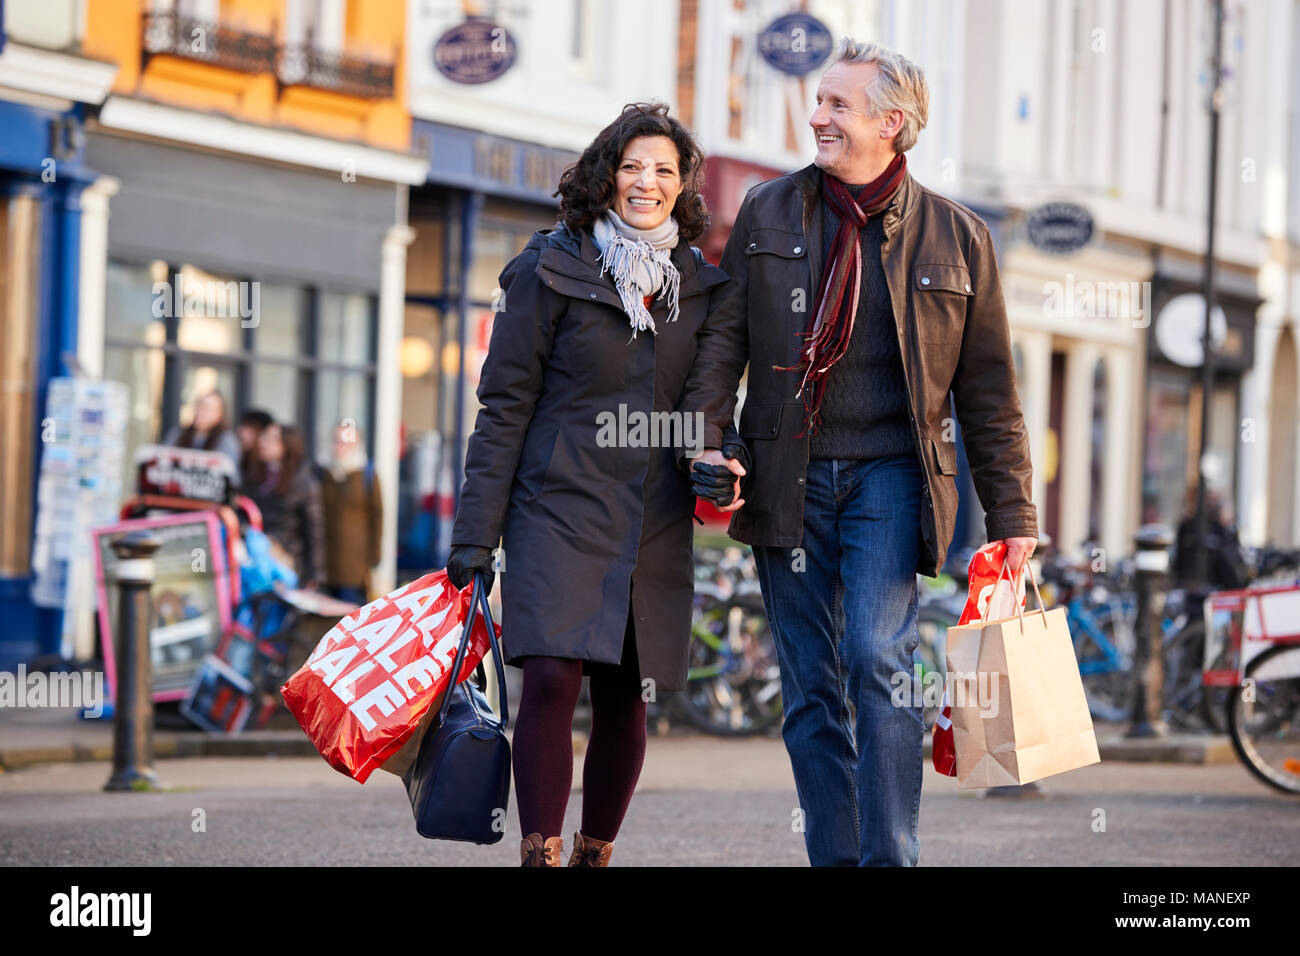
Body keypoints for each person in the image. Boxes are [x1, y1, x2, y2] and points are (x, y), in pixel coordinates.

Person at [693, 39, 1039, 866]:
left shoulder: (960, 239)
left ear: (894, 123)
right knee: (810, 686)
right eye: (818, 102)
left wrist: (1015, 518)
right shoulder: (769, 214)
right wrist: (709, 443)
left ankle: (890, 856)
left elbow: (989, 394)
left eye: (837, 106)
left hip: (892, 477)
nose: (817, 117)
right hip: (787, 477)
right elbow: (723, 344)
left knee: (879, 660)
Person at [446, 102, 741, 867]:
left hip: (654, 517)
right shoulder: (547, 268)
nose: (647, 183)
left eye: (664, 171)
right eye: (633, 166)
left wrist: (721, 462)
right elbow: (503, 408)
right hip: (557, 506)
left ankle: (593, 854)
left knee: (626, 697)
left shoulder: (703, 288)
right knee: (549, 676)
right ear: (606, 174)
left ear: (683, 188)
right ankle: (539, 854)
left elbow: (707, 408)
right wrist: (475, 536)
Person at [244, 423, 326, 591]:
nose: (263, 443)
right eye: (264, 438)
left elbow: (314, 530)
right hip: (253, 560)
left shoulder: (303, 480)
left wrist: (314, 575)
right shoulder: (253, 474)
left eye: (272, 440)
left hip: (285, 562)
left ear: (287, 445)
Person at [318, 422, 382, 605]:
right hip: (326, 564)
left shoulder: (366, 474)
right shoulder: (323, 472)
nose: (340, 446)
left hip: (354, 566)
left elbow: (377, 518)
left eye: (345, 441)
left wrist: (374, 559)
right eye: (337, 441)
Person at [163, 390, 242, 465]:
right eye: (199, 406)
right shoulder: (177, 435)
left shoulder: (227, 441)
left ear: (219, 415)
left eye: (207, 408)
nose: (200, 412)